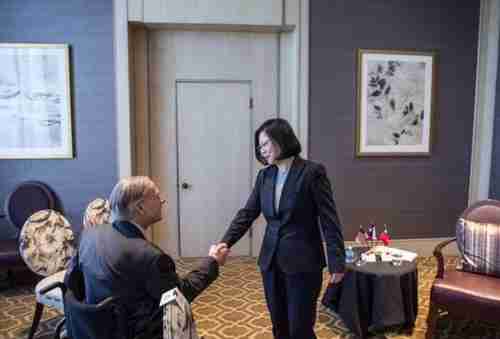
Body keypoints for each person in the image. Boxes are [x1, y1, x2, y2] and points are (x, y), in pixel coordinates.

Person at [219, 118, 346, 339]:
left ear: (281, 139)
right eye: (259, 146)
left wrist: (337, 262)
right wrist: (225, 241)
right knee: (279, 325)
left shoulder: (312, 172)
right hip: (270, 261)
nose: (262, 150)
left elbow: (329, 219)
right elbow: (248, 213)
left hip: (303, 263)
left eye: (265, 143)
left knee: (300, 328)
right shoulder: (265, 176)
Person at [68, 176, 229, 338]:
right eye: (157, 197)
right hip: (135, 332)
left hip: (93, 329)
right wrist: (212, 260)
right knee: (179, 313)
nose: (163, 201)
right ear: (141, 208)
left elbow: (72, 283)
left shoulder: (89, 235)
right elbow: (182, 293)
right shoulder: (149, 256)